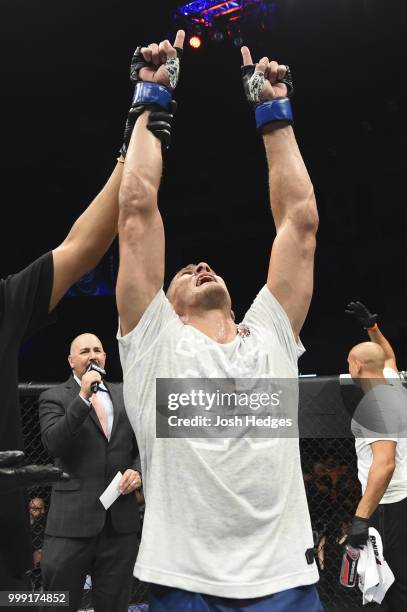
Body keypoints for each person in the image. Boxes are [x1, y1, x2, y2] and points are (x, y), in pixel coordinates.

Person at [116, 30, 322, 611]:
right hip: (184, 581)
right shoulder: (154, 339)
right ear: (167, 299)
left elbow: (299, 225)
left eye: (204, 265)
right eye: (185, 270)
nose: (201, 265)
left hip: (285, 577)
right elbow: (136, 212)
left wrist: (274, 113)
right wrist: (150, 100)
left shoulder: (272, 336)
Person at [38, 333, 142, 612]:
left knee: (115, 605)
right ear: (72, 361)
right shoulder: (54, 397)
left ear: (106, 357)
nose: (92, 355)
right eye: (84, 351)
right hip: (71, 523)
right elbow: (53, 443)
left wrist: (137, 470)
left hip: (119, 523)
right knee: (57, 604)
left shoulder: (125, 393)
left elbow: (144, 444)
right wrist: (83, 396)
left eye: (97, 350)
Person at [346, 342, 407, 610]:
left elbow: (384, 464)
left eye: (349, 363)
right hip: (401, 498)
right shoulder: (395, 387)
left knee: (389, 585)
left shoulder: (374, 405)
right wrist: (373, 330)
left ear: (357, 366)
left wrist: (361, 517)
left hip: (387, 504)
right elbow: (390, 357)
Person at [346, 301, 402, 382]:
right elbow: (387, 358)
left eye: (350, 364)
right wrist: (372, 328)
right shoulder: (391, 378)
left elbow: (387, 359)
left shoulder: (375, 394)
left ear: (357, 367)